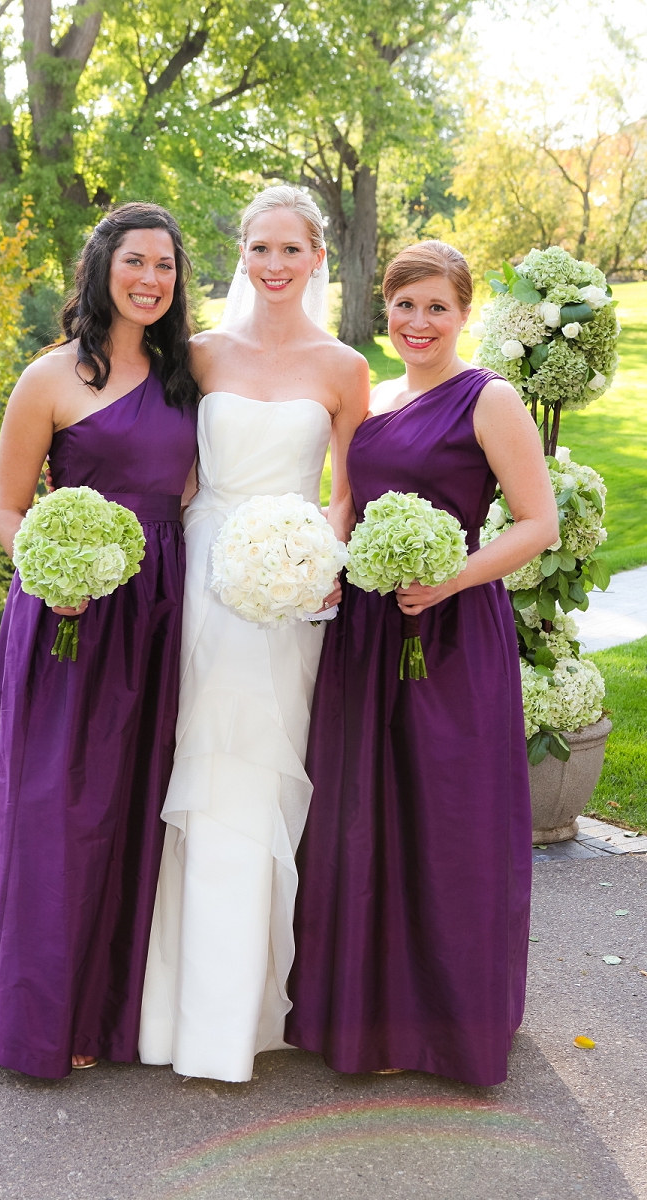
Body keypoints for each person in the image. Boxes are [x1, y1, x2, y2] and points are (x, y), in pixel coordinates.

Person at [286, 240, 559, 1087]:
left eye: (436, 306)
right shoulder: (373, 402)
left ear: (463, 314)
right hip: (367, 634)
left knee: (449, 822)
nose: (417, 322)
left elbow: (535, 524)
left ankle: (451, 1027)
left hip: (450, 636)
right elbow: (346, 502)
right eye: (404, 306)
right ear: (385, 312)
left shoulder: (491, 398)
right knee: (363, 818)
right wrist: (318, 571)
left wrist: (450, 578)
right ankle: (366, 1020)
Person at [0, 203, 199, 1078]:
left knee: (134, 803)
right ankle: (34, 1008)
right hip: (72, 618)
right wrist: (55, 576)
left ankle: (109, 1007)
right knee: (59, 807)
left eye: (165, 267)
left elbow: (197, 494)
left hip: (160, 616)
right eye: (135, 261)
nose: (151, 280)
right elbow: (7, 509)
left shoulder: (184, 379)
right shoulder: (49, 379)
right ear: (102, 267)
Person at [138, 186, 369, 1083]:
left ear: (317, 256)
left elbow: (346, 488)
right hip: (202, 578)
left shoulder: (345, 367)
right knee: (194, 766)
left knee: (264, 776)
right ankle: (173, 1009)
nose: (274, 265)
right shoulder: (198, 354)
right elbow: (176, 472)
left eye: (291, 250)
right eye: (259, 248)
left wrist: (323, 564)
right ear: (243, 254)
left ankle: (241, 1011)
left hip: (290, 589)